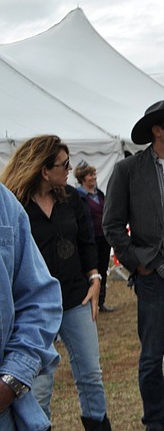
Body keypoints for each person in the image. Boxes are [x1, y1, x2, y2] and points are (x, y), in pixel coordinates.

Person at [102, 101, 164, 431]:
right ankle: (154, 424)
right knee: (151, 358)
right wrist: (138, 263)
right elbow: (112, 224)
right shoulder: (128, 171)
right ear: (157, 130)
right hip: (154, 275)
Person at [0, 136, 111, 430]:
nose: (70, 169)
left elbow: (88, 242)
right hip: (32, 309)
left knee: (91, 374)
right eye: (64, 164)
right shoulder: (14, 204)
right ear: (44, 170)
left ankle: (98, 425)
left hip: (75, 297)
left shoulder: (72, 199)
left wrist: (96, 278)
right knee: (38, 384)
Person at [0, 181, 62, 431]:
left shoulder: (5, 204)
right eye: (62, 164)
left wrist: (11, 381)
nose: (67, 171)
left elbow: (39, 298)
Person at [74, 162, 114, 313]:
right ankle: (88, 302)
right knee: (90, 271)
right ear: (83, 178)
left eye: (94, 174)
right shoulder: (78, 196)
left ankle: (101, 302)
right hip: (88, 239)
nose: (94, 177)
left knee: (103, 269)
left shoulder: (100, 195)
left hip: (103, 237)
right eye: (90, 175)